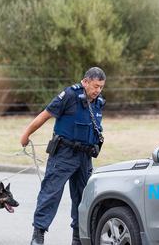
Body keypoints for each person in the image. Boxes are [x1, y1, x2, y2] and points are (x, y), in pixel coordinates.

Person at [20, 67, 106, 245]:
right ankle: (38, 234)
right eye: (95, 86)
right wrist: (26, 134)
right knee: (51, 193)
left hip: (84, 157)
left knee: (83, 198)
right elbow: (45, 115)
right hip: (64, 154)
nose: (98, 90)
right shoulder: (69, 95)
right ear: (85, 81)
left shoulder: (98, 103)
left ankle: (77, 238)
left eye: (101, 87)